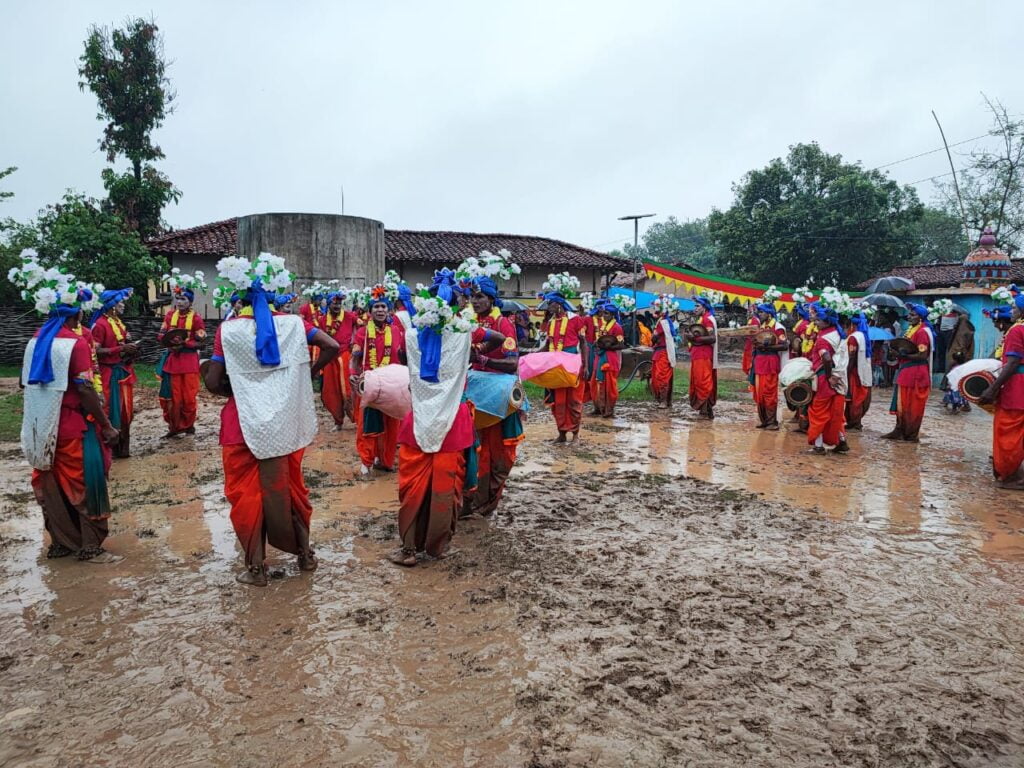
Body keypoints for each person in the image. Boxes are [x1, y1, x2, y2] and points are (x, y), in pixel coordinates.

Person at [204, 260, 340, 586]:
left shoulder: (230, 329)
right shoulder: (295, 324)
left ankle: (256, 569)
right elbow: (333, 347)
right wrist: (307, 373)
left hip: (241, 425)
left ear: (241, 297)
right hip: (285, 422)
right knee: (290, 488)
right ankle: (305, 556)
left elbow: (213, 381)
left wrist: (228, 384)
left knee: (247, 495)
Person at [13, 268, 122, 563]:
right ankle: (89, 546)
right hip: (75, 427)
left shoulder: (35, 341)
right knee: (86, 484)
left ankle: (60, 542)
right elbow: (85, 389)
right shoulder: (74, 344)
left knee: (50, 484)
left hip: (41, 427)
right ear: (78, 315)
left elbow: (25, 383)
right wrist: (107, 425)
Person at [391, 272, 479, 565]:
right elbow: (497, 339)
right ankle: (437, 547)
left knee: (413, 488)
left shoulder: (412, 335)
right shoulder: (465, 332)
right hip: (452, 422)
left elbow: (402, 358)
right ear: (456, 305)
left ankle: (408, 550)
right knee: (444, 489)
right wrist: (474, 357)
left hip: (419, 423)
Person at [466, 276, 522, 516]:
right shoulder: (467, 323)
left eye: (480, 296)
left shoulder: (503, 325)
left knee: (499, 452)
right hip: (476, 394)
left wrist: (484, 359)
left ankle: (489, 500)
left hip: (499, 397)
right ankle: (473, 499)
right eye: (472, 296)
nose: (475, 301)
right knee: (475, 448)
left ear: (491, 298)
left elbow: (512, 364)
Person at [351, 288, 407, 474]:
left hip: (394, 383)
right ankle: (365, 462)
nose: (380, 310)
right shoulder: (362, 332)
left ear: (389, 310)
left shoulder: (397, 331)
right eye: (376, 307)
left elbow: (404, 355)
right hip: (371, 382)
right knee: (368, 424)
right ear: (370, 311)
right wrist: (353, 372)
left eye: (383, 306)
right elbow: (356, 356)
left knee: (392, 424)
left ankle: (385, 460)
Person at [979, 292, 1024, 489]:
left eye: (1014, 308)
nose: (1011, 311)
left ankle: (1010, 475)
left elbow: (1013, 361)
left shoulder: (1017, 330)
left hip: (1017, 387)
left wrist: (992, 388)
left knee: (1008, 431)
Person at [90, 288, 137, 458]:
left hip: (123, 372)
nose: (123, 305)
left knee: (126, 410)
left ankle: (123, 448)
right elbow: (95, 351)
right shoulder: (101, 325)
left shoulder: (117, 322)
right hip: (108, 374)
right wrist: (121, 348)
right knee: (111, 409)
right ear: (112, 306)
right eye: (120, 302)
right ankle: (110, 448)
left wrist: (129, 345)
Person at [156, 286, 207, 438]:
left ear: (190, 302)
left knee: (189, 398)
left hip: (189, 362)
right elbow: (161, 336)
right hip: (173, 363)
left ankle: (188, 425)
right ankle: (174, 427)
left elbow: (202, 342)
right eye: (177, 298)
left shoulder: (196, 318)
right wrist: (170, 342)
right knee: (173, 398)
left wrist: (185, 344)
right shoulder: (170, 315)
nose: (179, 302)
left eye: (183, 299)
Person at [541, 291, 589, 443]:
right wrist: (530, 356)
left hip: (573, 365)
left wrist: (586, 365)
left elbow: (583, 343)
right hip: (555, 367)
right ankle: (561, 433)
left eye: (550, 303)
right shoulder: (550, 323)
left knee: (574, 401)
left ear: (559, 304)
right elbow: (548, 344)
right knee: (558, 402)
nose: (548, 307)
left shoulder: (576, 320)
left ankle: (575, 434)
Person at [883, 303, 934, 443]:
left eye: (913, 315)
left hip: (916, 372)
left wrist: (901, 356)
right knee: (902, 402)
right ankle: (899, 429)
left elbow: (923, 355)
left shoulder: (922, 332)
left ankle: (910, 434)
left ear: (921, 317)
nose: (909, 317)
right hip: (906, 371)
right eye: (909, 315)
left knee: (912, 404)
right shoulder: (912, 330)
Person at [806, 306, 848, 454]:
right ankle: (841, 441)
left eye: (818, 320)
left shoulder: (823, 339)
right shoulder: (838, 333)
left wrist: (829, 376)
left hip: (825, 378)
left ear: (827, 322)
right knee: (835, 411)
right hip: (839, 377)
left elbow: (826, 358)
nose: (815, 322)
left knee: (818, 411)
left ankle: (818, 446)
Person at [319, 291, 358, 429]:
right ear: (329, 304)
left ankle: (358, 418)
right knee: (330, 391)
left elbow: (363, 326)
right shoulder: (322, 320)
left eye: (339, 303)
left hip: (345, 356)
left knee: (349, 389)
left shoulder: (349, 317)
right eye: (334, 303)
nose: (337, 305)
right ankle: (338, 421)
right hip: (329, 358)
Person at [751, 303, 788, 430]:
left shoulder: (778, 328)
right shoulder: (760, 327)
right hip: (759, 362)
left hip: (770, 363)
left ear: (769, 314)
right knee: (759, 392)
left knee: (769, 392)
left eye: (761, 312)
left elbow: (784, 346)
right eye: (758, 312)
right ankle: (765, 420)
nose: (759, 314)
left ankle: (772, 422)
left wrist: (767, 347)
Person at [590, 303, 626, 417]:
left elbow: (621, 345)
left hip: (609, 359)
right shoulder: (603, 326)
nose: (603, 315)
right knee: (595, 383)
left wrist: (606, 347)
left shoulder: (617, 327)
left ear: (612, 315)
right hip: (599, 357)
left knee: (609, 385)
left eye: (606, 313)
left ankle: (608, 410)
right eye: (603, 313)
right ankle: (598, 408)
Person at [686, 296, 718, 418]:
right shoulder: (701, 319)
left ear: (704, 307)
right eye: (695, 306)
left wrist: (694, 338)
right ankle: (707, 410)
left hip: (703, 355)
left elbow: (712, 338)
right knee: (700, 381)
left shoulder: (707, 320)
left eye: (697, 306)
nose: (695, 308)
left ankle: (704, 411)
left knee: (702, 382)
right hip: (698, 354)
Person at [845, 311, 873, 430]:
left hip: (854, 372)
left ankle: (854, 422)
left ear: (851, 324)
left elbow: (851, 357)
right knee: (860, 396)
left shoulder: (853, 337)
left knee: (854, 398)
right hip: (863, 370)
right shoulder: (863, 335)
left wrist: (845, 373)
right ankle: (856, 422)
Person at [650, 298, 677, 407]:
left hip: (663, 353)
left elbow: (654, 337)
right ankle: (664, 400)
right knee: (659, 376)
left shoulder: (663, 322)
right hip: (660, 352)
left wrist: (653, 337)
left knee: (661, 376)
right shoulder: (663, 321)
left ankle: (664, 401)